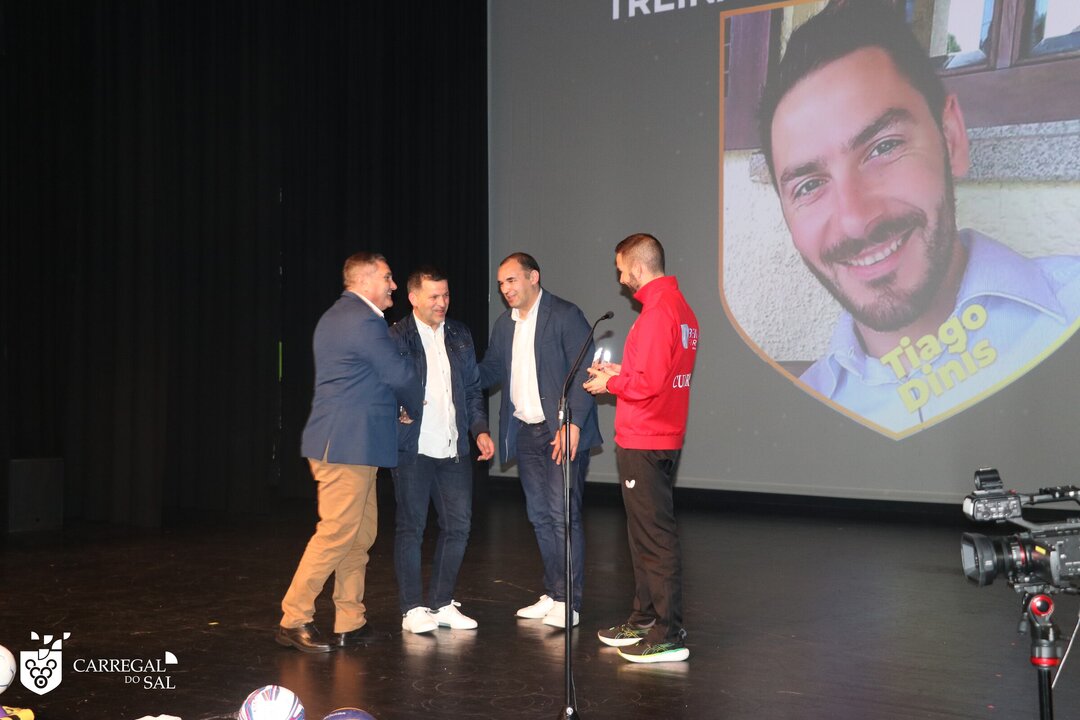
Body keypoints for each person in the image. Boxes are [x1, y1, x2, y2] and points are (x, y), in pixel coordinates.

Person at [758, 0, 1080, 433]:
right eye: (809, 185)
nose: (855, 220)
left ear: (951, 139)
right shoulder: (798, 426)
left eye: (884, 147)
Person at [277, 252, 422, 653]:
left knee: (359, 535)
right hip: (346, 445)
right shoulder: (362, 320)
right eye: (387, 277)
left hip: (356, 444)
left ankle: (350, 620)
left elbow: (366, 380)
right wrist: (414, 406)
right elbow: (399, 375)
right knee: (337, 533)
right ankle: (293, 618)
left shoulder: (340, 316)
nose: (394, 285)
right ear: (364, 280)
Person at [584, 233, 698, 664]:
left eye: (621, 270)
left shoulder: (656, 313)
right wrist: (623, 370)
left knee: (654, 538)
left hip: (645, 437)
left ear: (638, 266)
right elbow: (659, 373)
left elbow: (647, 384)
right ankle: (645, 618)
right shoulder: (679, 309)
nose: (620, 279)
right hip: (660, 434)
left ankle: (668, 633)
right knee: (644, 535)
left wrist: (610, 382)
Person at [478, 252, 602, 628]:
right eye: (501, 284)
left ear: (533, 277)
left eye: (511, 280)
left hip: (559, 431)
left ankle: (570, 602)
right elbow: (490, 370)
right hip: (526, 432)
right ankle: (554, 593)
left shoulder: (564, 315)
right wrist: (450, 373)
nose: (505, 289)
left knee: (562, 516)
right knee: (540, 517)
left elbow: (586, 370)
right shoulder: (504, 325)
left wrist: (573, 423)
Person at [388, 267, 496, 634]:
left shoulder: (459, 334)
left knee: (458, 526)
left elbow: (472, 390)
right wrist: (396, 410)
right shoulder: (396, 336)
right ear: (413, 298)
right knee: (411, 527)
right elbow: (381, 387)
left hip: (453, 448)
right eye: (433, 296)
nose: (442, 302)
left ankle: (442, 602)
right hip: (413, 449)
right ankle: (412, 609)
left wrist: (479, 430)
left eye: (446, 295)